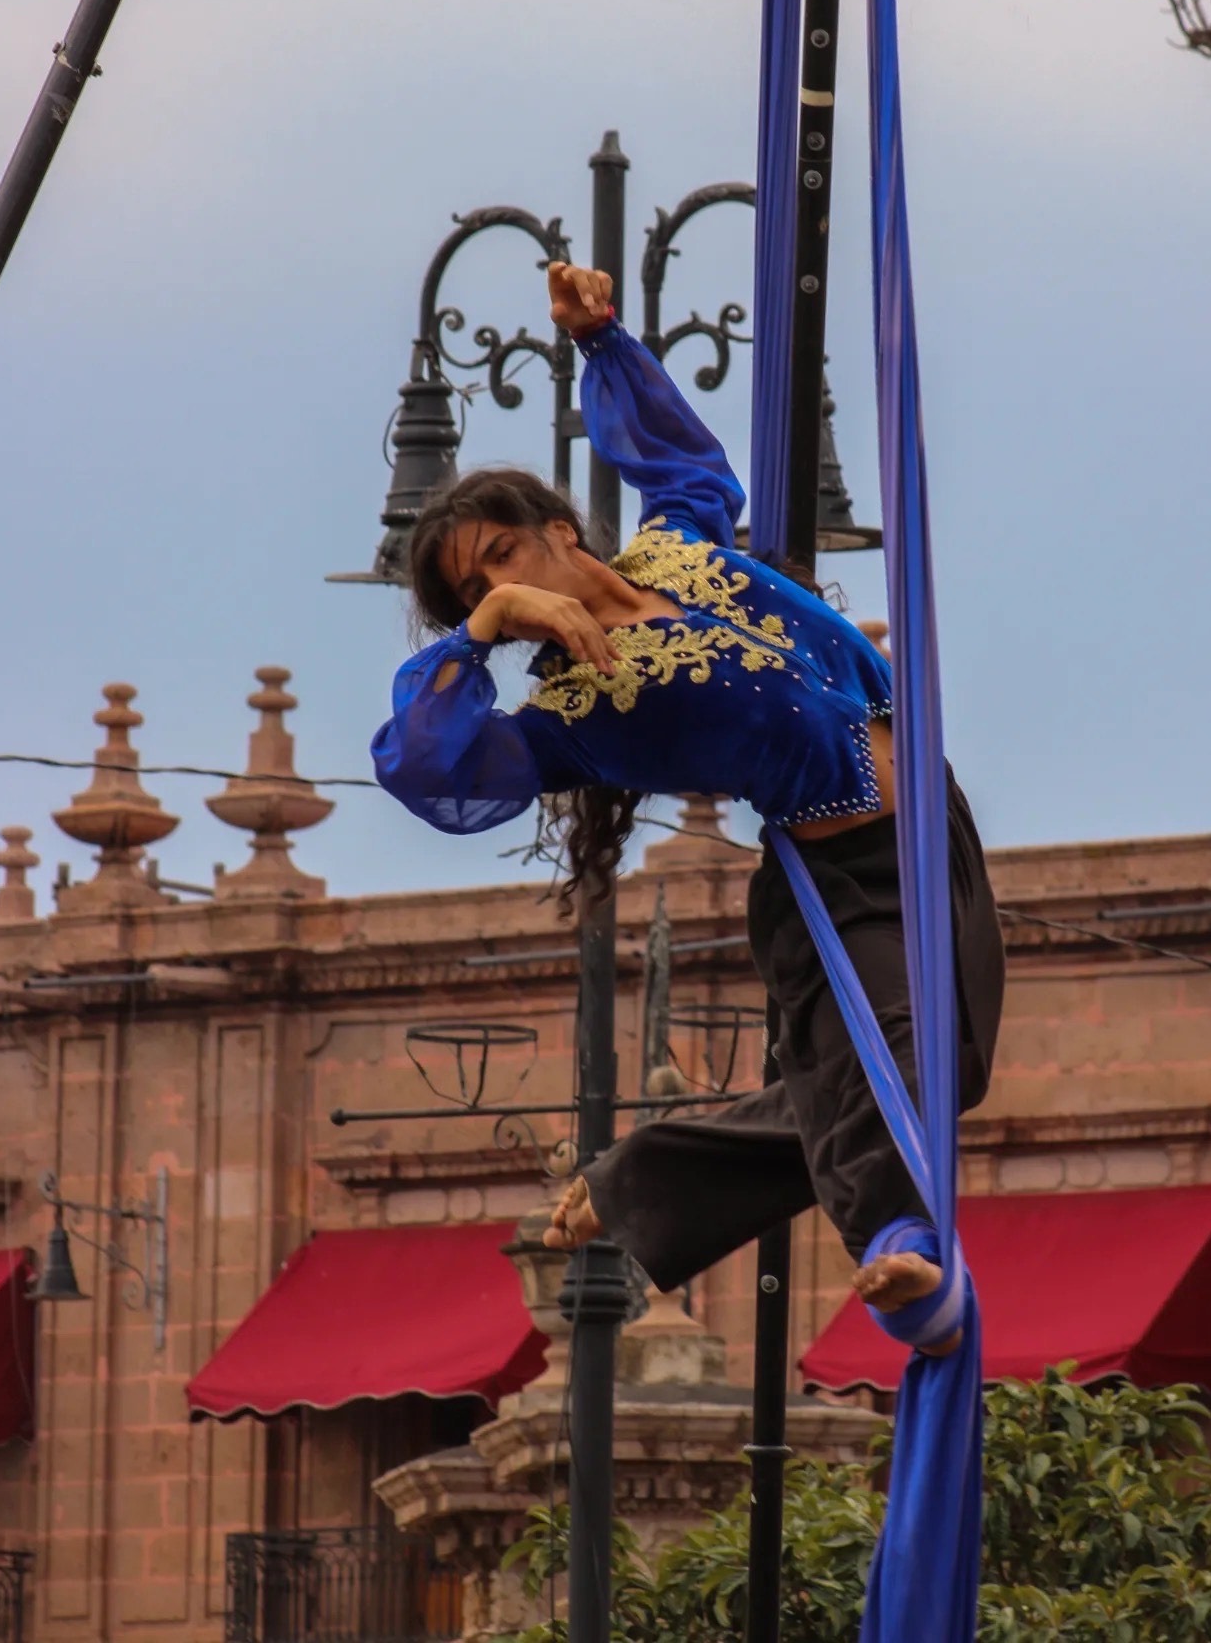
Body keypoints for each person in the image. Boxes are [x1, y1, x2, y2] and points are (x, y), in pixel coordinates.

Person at [372, 263, 1005, 1344]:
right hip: (841, 884)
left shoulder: (681, 546)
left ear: (559, 529)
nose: (496, 591)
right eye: (473, 593)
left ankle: (650, 1175)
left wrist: (601, 342)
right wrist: (480, 637)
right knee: (904, 1067)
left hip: (931, 819)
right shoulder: (577, 710)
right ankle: (907, 1259)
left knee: (955, 1067)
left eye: (501, 561)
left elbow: (682, 459)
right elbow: (424, 766)